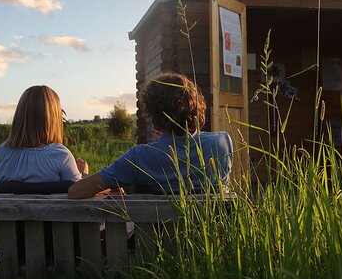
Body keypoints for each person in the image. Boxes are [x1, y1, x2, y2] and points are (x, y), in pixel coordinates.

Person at [68, 72, 232, 198]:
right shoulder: (222, 143)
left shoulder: (139, 157)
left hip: (154, 241)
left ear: (154, 116)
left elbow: (75, 192)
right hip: (212, 240)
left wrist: (83, 173)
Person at [0, 85, 87, 193]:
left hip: (8, 210)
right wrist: (82, 173)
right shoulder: (60, 155)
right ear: (54, 118)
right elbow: (80, 193)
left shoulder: (2, 152)